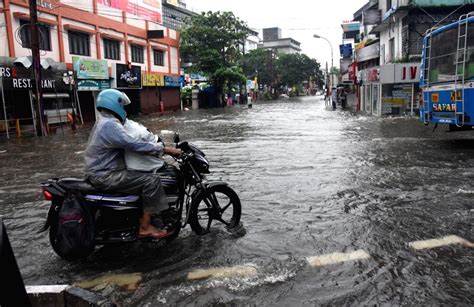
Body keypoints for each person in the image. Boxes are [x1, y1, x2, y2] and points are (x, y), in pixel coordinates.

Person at [84, 89, 182, 239]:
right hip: (106, 175)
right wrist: (166, 150)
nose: (124, 110)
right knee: (152, 181)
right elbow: (133, 144)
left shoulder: (104, 122)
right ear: (114, 104)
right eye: (122, 106)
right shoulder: (110, 125)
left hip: (101, 172)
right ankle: (145, 226)